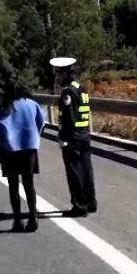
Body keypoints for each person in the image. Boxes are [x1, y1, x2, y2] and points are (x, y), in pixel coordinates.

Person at [0, 80, 46, 232]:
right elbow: (41, 121)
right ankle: (33, 218)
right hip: (29, 148)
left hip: (9, 150)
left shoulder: (3, 107)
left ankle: (17, 221)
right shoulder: (31, 104)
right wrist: (34, 135)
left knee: (13, 186)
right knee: (29, 184)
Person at [50, 57, 97, 217]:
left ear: (65, 73)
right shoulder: (81, 87)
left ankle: (79, 206)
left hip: (72, 138)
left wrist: (63, 137)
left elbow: (68, 117)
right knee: (86, 170)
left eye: (59, 74)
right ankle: (90, 202)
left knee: (75, 172)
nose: (58, 77)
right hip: (84, 135)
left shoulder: (68, 91)